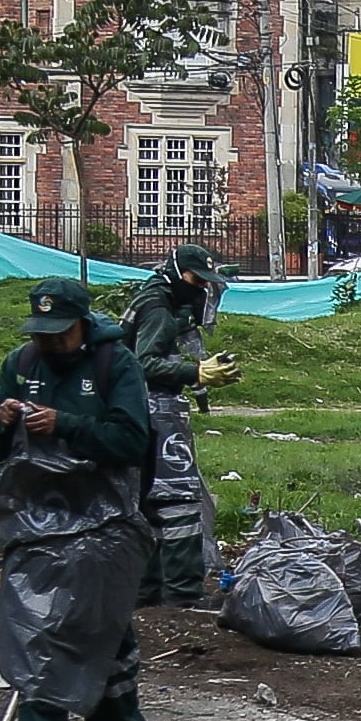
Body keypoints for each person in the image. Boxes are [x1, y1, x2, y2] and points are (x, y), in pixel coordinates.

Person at [0, 276, 157, 721]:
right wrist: (1, 419)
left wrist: (66, 425)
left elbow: (130, 440)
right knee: (37, 631)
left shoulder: (114, 364)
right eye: (41, 332)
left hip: (105, 521)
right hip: (35, 524)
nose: (49, 342)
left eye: (59, 333)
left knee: (108, 632)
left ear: (83, 325)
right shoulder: (21, 364)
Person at [122, 242, 225, 607]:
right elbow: (143, 363)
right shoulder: (158, 309)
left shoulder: (162, 298)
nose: (201, 288)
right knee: (177, 497)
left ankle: (145, 591)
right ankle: (182, 593)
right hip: (154, 411)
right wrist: (194, 371)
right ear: (177, 271)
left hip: (145, 409)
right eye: (197, 280)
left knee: (144, 499)